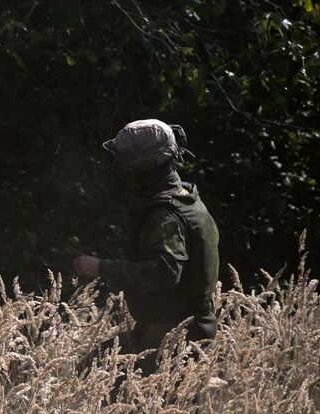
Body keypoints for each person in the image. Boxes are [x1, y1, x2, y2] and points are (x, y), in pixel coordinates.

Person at [71, 118, 221, 364]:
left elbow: (166, 271)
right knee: (93, 367)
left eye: (128, 169)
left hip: (176, 337)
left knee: (99, 375)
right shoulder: (186, 197)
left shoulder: (167, 215)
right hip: (176, 331)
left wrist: (101, 267)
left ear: (146, 169)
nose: (124, 176)